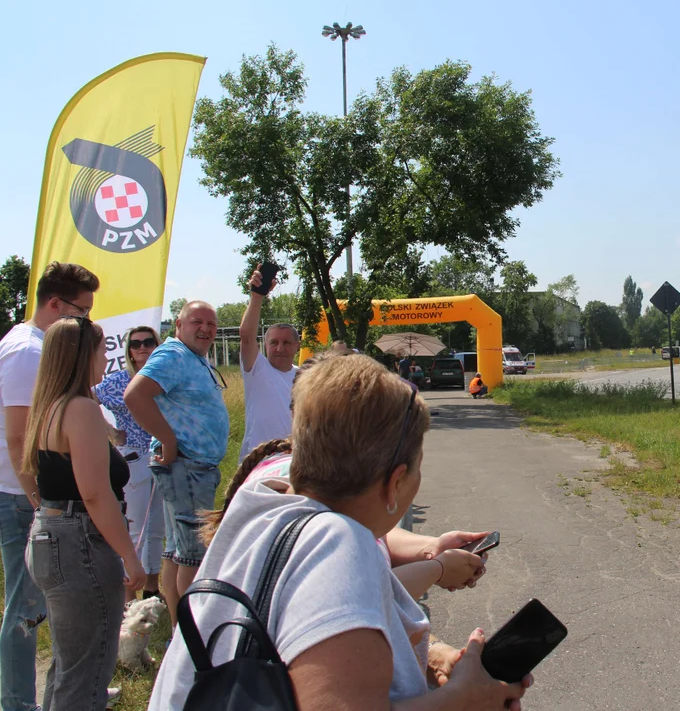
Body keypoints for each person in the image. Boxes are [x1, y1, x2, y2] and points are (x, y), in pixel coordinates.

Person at [149, 354, 530, 710]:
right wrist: (463, 701)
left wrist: (433, 656)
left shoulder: (261, 504)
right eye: (417, 468)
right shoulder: (339, 544)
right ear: (395, 482)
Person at [23, 317, 146, 710]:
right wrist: (129, 554)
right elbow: (95, 494)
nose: (105, 359)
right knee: (88, 671)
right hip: (80, 543)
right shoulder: (81, 410)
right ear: (82, 356)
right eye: (101, 350)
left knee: (68, 664)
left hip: (51, 535)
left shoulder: (49, 407)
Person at [0, 260, 98, 711]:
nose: (86, 323)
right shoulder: (26, 351)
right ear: (55, 304)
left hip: (31, 496)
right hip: (24, 497)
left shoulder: (36, 346)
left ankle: (58, 691)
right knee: (26, 606)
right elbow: (19, 436)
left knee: (46, 603)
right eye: (81, 313)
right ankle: (17, 702)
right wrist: (40, 501)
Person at [124, 301, 228, 624]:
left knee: (177, 553)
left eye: (212, 324)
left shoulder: (193, 358)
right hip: (186, 467)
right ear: (178, 326)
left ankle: (178, 633)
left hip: (192, 469)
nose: (206, 329)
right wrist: (168, 440)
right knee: (194, 557)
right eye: (197, 321)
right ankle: (194, 639)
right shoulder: (174, 355)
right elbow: (134, 395)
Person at [94, 326, 166, 604]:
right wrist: (109, 431)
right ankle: (128, 596)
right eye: (136, 344)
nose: (143, 348)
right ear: (129, 351)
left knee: (158, 526)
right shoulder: (118, 380)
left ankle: (151, 588)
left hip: (163, 455)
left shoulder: (164, 377)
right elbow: (85, 396)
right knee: (135, 527)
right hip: (134, 457)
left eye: (149, 342)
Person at [238, 264, 298, 459]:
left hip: (292, 460)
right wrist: (256, 297)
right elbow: (246, 336)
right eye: (274, 342)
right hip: (256, 460)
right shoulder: (257, 369)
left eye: (286, 342)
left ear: (297, 346)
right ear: (265, 345)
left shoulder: (303, 376)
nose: (280, 348)